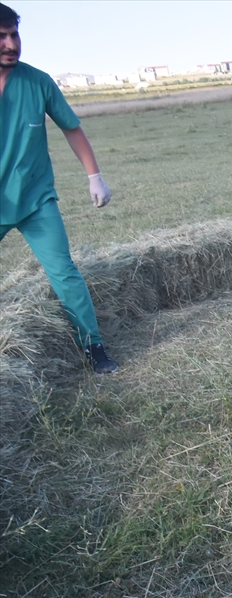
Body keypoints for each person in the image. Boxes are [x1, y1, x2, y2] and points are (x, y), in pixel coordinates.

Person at [0, 2, 116, 373]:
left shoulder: (38, 81)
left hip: (36, 200)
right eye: (1, 37)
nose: (10, 44)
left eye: (14, 35)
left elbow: (71, 127)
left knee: (65, 273)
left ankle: (94, 347)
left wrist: (93, 175)